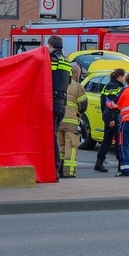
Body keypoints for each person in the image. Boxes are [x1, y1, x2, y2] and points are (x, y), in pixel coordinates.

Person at [56, 62, 87, 178]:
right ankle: (69, 171)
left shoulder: (59, 83)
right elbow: (83, 105)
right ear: (78, 74)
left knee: (60, 145)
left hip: (58, 120)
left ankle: (59, 170)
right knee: (72, 146)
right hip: (71, 121)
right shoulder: (77, 86)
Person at [94, 68, 126, 173]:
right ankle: (121, 164)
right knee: (118, 141)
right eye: (124, 76)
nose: (125, 78)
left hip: (108, 116)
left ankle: (99, 162)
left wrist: (107, 117)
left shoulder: (108, 85)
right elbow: (111, 104)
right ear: (120, 77)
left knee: (107, 140)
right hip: (113, 117)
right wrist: (112, 119)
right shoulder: (115, 87)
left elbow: (104, 102)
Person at [48, 35, 71, 179]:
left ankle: (53, 170)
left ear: (50, 45)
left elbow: (47, 78)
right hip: (61, 103)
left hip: (51, 102)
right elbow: (67, 81)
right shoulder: (67, 61)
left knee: (50, 137)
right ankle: (55, 169)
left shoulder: (52, 59)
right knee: (53, 135)